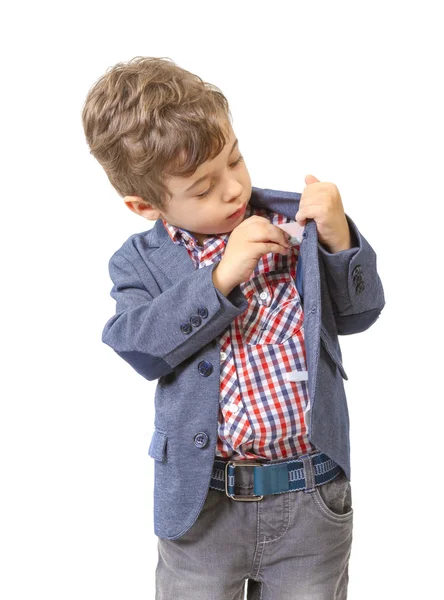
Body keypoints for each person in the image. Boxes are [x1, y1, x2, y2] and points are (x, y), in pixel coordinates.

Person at [82, 56, 385, 599]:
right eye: (202, 189)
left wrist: (340, 239)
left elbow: (360, 314)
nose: (232, 189)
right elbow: (140, 348)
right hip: (203, 508)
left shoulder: (292, 224)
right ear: (144, 205)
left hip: (311, 498)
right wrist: (218, 279)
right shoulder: (137, 264)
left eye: (236, 159)